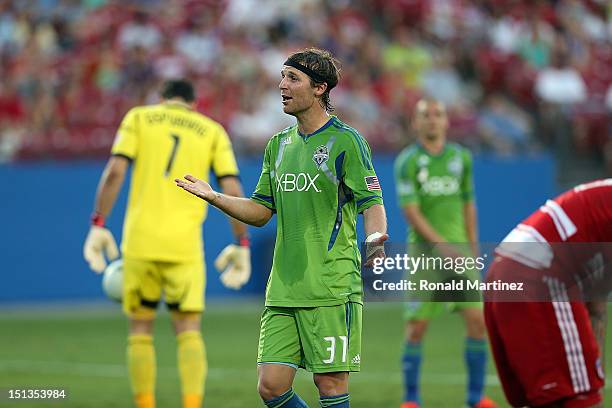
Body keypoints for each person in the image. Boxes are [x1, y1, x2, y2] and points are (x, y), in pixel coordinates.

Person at [175, 48, 388, 408]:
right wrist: (214, 196)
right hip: (283, 288)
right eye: (282, 77)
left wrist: (376, 242)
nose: (282, 86)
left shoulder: (347, 141)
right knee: (271, 387)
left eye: (292, 78)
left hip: (331, 285)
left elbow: (372, 201)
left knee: (330, 385)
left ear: (319, 88)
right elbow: (261, 211)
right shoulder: (278, 145)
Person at [83, 79, 251, 408]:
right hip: (184, 246)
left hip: (141, 242)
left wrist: (98, 222)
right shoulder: (211, 130)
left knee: (140, 328)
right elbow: (230, 184)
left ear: (161, 99)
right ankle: (191, 404)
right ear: (194, 104)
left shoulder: (139, 118)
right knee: (188, 329)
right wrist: (241, 241)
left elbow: (115, 171)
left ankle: (145, 404)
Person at [394, 99, 495, 408]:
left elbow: (468, 203)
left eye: (438, 114)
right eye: (425, 115)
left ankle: (475, 398)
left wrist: (472, 245)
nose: (433, 120)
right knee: (417, 327)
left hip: (461, 256)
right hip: (425, 258)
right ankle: (411, 400)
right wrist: (442, 246)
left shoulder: (461, 158)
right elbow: (411, 212)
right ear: (416, 123)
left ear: (447, 121)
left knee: (478, 322)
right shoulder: (407, 162)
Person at [485, 179, 611, 408]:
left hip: (503, 272)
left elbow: (597, 299)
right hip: (538, 277)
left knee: (545, 399)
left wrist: (592, 369)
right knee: (579, 400)